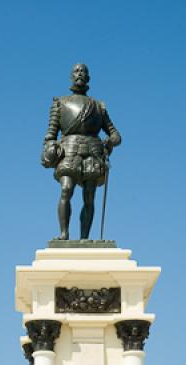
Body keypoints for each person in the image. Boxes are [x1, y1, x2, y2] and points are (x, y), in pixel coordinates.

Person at [41, 63, 121, 240]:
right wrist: (50, 148)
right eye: (76, 71)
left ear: (88, 78)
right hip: (69, 149)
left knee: (89, 197)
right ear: (71, 76)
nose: (80, 74)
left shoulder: (98, 106)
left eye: (83, 71)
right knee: (66, 189)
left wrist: (111, 142)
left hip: (93, 152)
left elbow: (115, 134)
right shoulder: (60, 103)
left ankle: (84, 237)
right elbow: (51, 133)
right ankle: (64, 233)